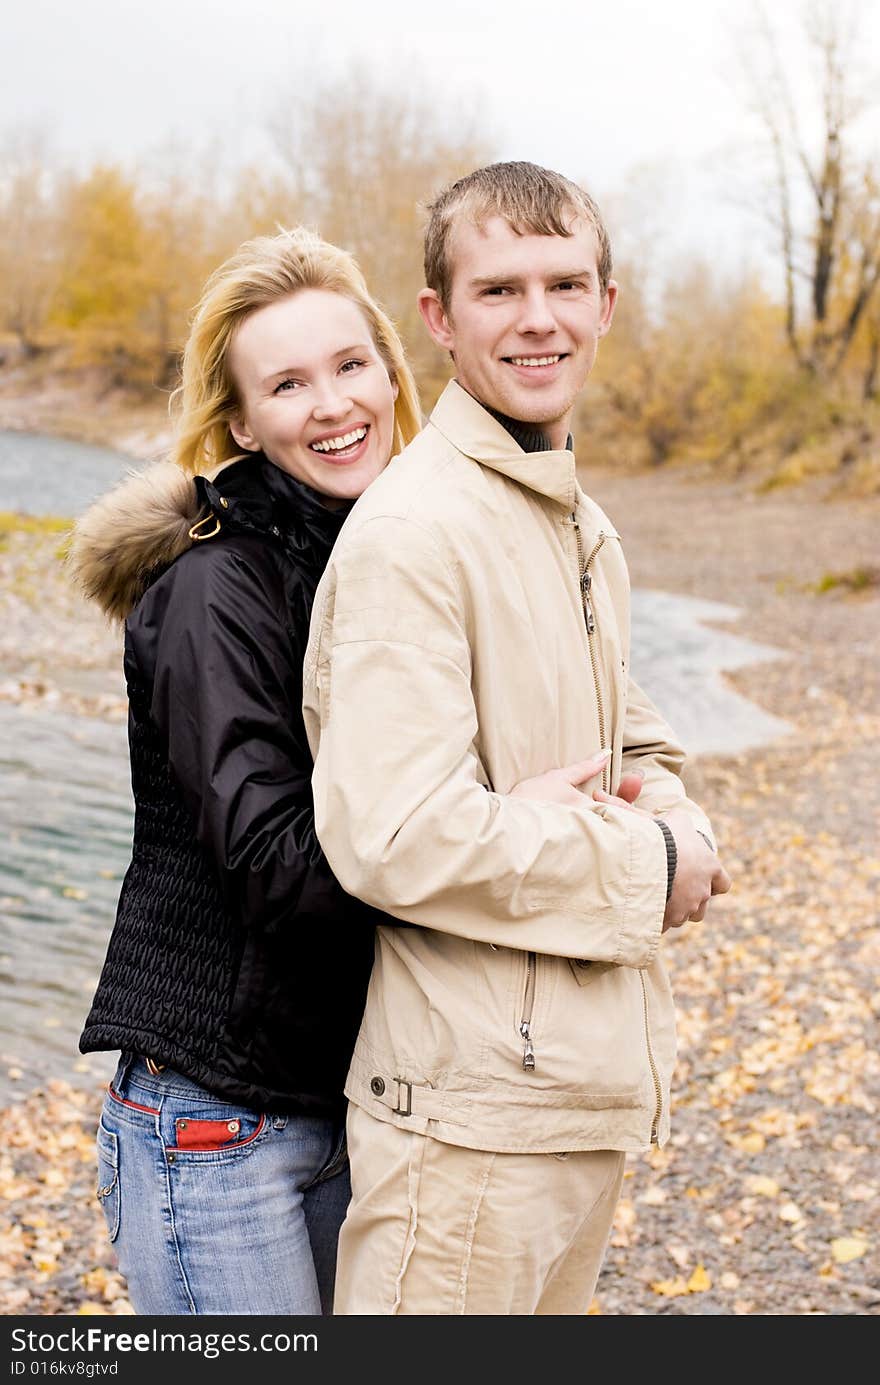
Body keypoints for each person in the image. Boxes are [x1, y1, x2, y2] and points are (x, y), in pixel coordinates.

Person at [302, 161, 732, 1316]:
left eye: (563, 283)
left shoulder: (577, 521)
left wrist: (678, 816)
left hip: (568, 1096)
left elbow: (634, 741)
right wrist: (651, 864)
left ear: (605, 302)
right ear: (438, 320)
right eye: (498, 290)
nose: (536, 317)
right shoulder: (416, 530)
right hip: (466, 1121)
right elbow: (389, 834)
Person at [66, 226, 422, 1315]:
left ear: (393, 374)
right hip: (218, 1125)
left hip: (343, 1098)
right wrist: (489, 835)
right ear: (240, 421)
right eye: (287, 383)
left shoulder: (381, 561)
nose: (331, 404)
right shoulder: (215, 590)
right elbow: (275, 861)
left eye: (350, 365)